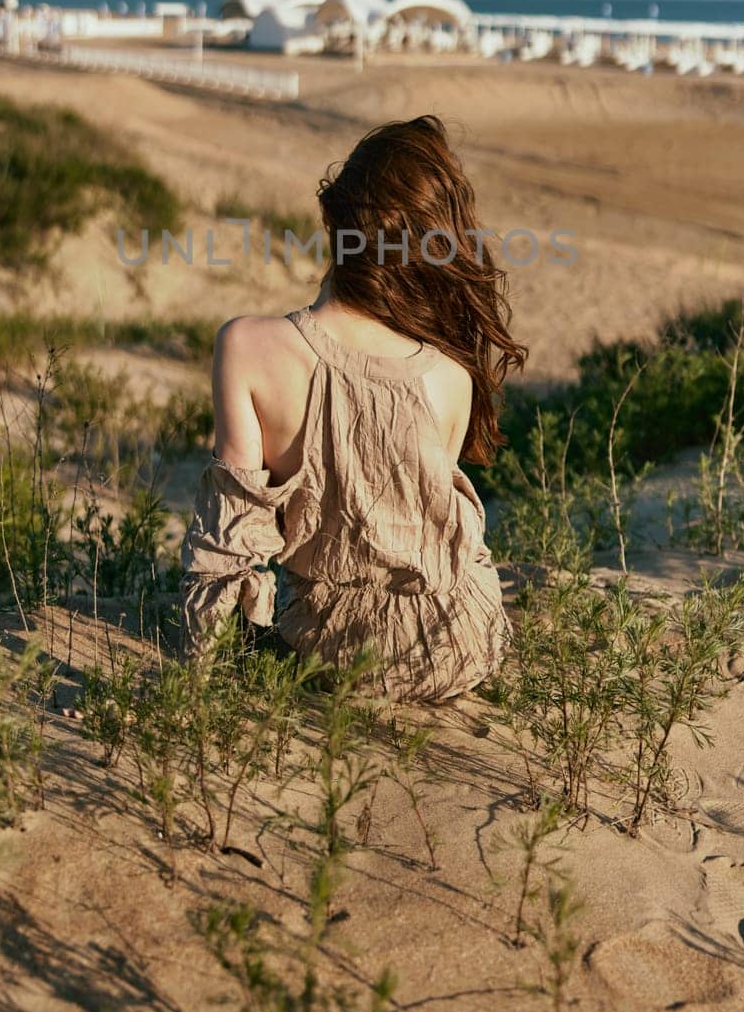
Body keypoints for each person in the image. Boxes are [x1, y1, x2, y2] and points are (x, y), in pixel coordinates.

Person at [180, 113, 527, 702]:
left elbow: (234, 531)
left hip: (331, 645)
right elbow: (434, 532)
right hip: (457, 641)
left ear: (335, 220)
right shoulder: (450, 372)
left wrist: (201, 664)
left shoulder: (247, 345)